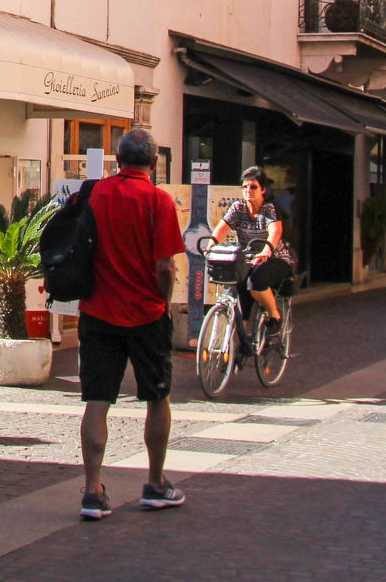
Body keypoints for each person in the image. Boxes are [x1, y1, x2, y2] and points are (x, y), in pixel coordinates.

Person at [77, 127, 185, 522]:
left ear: (117, 159)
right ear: (154, 163)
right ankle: (155, 483)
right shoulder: (158, 200)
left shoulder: (94, 194)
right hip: (146, 314)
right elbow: (163, 267)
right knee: (157, 398)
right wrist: (165, 302)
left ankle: (92, 490)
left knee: (97, 401)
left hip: (97, 312)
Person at [210, 168, 290, 337]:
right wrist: (211, 245)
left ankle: (274, 316)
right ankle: (242, 338)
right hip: (249, 259)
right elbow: (222, 228)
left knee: (255, 283)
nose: (248, 191)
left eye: (253, 187)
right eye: (245, 187)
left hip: (275, 258)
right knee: (238, 284)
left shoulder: (269, 208)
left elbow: (275, 231)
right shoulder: (238, 208)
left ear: (263, 190)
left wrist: (268, 249)